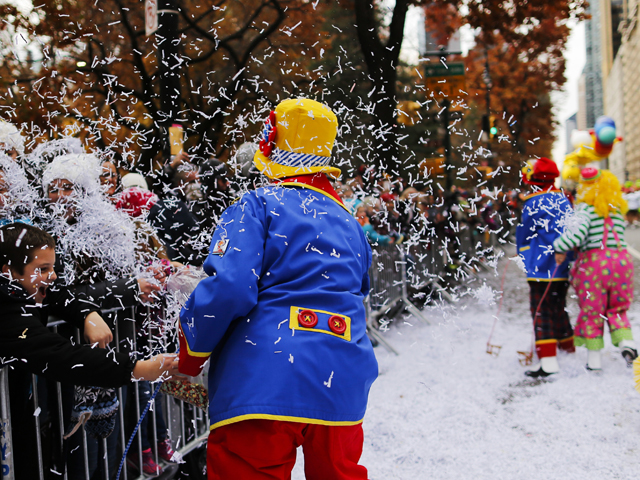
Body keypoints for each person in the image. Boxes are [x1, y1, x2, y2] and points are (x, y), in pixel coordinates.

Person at [178, 98, 378, 480]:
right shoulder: (350, 222)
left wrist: (192, 349)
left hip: (265, 374)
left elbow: (230, 285)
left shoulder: (256, 205)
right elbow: (359, 288)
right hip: (341, 373)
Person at [0, 223, 181, 478]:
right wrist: (139, 368)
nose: (51, 276)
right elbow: (61, 355)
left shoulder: (25, 288)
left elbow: (62, 293)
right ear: (9, 272)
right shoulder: (6, 310)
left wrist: (89, 315)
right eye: (42, 269)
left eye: (52, 267)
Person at [553, 168, 638, 370]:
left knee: (593, 311)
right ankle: (627, 343)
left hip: (594, 265)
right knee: (618, 308)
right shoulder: (615, 211)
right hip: (621, 262)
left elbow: (576, 235)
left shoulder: (586, 210)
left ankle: (594, 361)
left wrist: (558, 247)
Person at [516, 157, 574, 377]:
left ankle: (548, 362)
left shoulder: (533, 202)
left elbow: (524, 235)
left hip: (541, 267)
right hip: (563, 266)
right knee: (559, 307)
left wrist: (523, 254)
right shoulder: (564, 200)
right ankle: (568, 348)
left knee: (541, 311)